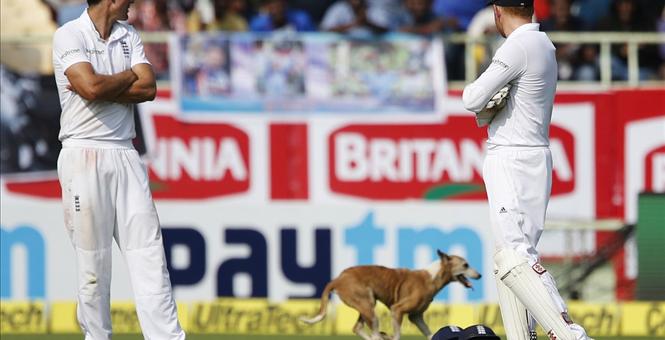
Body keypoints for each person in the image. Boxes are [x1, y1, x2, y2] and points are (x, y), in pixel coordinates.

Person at [51, 0, 185, 339]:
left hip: (125, 153)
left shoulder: (129, 35)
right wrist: (127, 77)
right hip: (83, 153)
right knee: (93, 265)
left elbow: (149, 87)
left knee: (150, 256)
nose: (134, 3)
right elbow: (89, 88)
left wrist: (105, 83)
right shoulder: (69, 35)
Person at [462, 1, 593, 340]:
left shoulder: (519, 45)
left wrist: (488, 102)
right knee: (508, 258)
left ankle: (570, 335)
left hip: (513, 159)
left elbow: (472, 97)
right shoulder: (543, 43)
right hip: (532, 156)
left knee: (514, 256)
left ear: (497, 11)